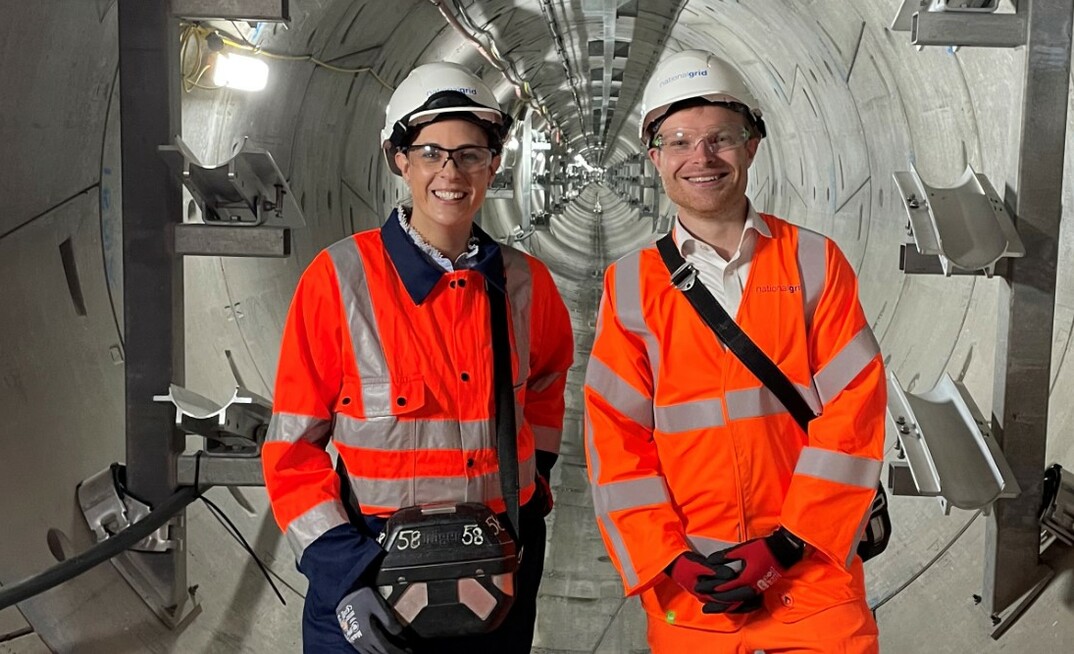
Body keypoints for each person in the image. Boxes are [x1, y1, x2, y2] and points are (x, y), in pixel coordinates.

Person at [262, 61, 574, 653]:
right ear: (399, 159)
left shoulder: (525, 284)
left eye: (470, 154)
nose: (450, 172)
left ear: (494, 165)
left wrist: (531, 489)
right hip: (370, 564)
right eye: (431, 153)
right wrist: (342, 573)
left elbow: (547, 382)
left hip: (499, 562)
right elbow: (292, 452)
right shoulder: (339, 281)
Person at [583, 49, 886, 653]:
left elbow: (854, 414)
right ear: (655, 158)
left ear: (751, 146)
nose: (701, 158)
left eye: (720, 138)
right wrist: (668, 559)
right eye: (679, 142)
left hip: (813, 580)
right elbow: (616, 443)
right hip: (697, 592)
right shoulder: (631, 287)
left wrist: (787, 545)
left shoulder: (813, 262)